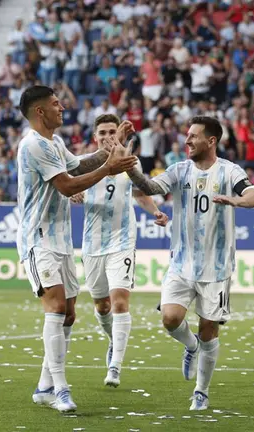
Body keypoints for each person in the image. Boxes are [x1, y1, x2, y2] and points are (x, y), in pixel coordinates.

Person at [124, 116, 254, 410]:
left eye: (193, 136)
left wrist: (236, 201)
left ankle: (201, 391)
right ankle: (191, 345)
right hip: (181, 263)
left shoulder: (229, 171)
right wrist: (130, 168)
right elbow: (149, 187)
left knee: (209, 330)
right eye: (187, 135)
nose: (187, 140)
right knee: (170, 318)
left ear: (211, 141)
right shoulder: (179, 170)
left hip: (217, 268)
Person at [16, 85, 137, 413]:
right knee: (55, 307)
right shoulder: (33, 145)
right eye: (56, 104)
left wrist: (112, 147)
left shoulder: (55, 142)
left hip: (61, 240)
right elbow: (67, 184)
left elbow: (80, 165)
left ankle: (44, 386)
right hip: (38, 238)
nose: (62, 108)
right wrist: (108, 169)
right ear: (40, 111)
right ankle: (60, 389)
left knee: (68, 313)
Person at [69, 114, 168, 388]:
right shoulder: (84, 163)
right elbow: (65, 186)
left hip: (122, 240)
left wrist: (155, 211)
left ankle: (115, 366)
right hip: (92, 244)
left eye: (112, 131)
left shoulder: (129, 162)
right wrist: (73, 194)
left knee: (120, 303)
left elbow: (140, 193)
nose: (107, 136)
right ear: (95, 137)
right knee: (102, 307)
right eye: (102, 132)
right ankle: (114, 340)